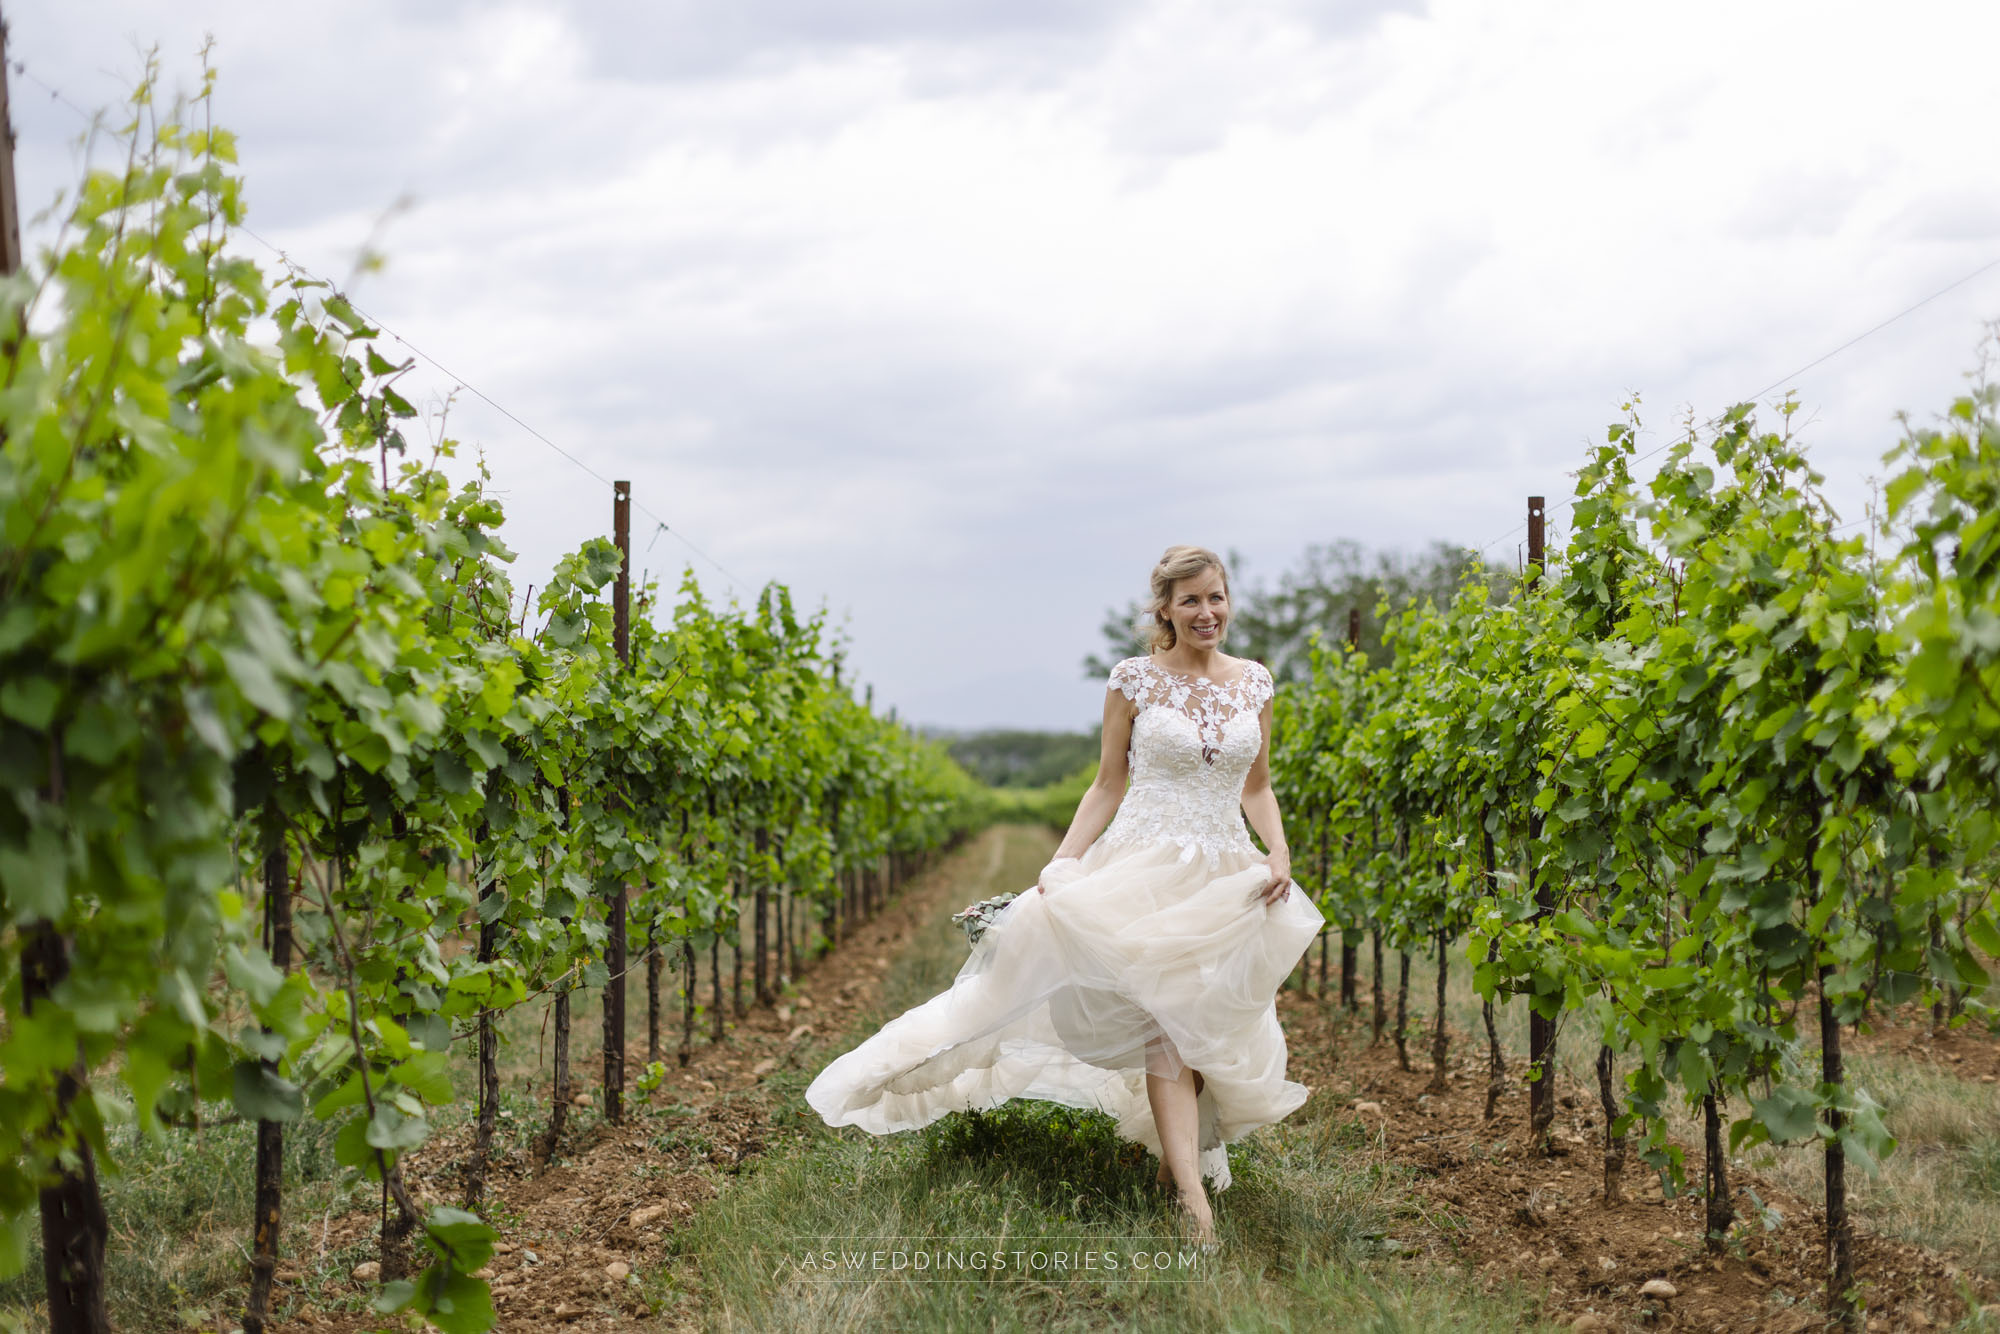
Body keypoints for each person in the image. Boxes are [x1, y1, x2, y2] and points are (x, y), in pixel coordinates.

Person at [804, 544, 1325, 1253]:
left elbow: (1256, 786)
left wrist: (1279, 850)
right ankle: (1192, 1200)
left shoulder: (1255, 682)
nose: (1207, 612)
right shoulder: (1134, 680)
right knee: (1169, 1027)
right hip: (1145, 864)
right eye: (1191, 600)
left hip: (1227, 871)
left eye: (1216, 597)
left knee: (1208, 1024)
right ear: (1166, 609)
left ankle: (1178, 1159)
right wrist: (1063, 861)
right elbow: (1108, 784)